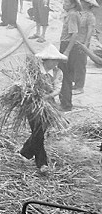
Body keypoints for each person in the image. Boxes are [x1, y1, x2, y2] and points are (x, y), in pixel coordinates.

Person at [17, 44, 65, 176]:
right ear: (46, 60)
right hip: (32, 104)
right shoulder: (34, 70)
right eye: (53, 60)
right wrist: (34, 94)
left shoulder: (58, 72)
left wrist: (47, 96)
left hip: (48, 104)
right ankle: (42, 163)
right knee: (38, 132)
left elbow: (57, 88)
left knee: (40, 132)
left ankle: (25, 152)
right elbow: (25, 85)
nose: (56, 63)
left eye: (57, 60)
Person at [57, 0, 83, 111]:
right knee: (65, 74)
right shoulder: (71, 14)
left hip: (68, 46)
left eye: (67, 2)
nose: (64, 3)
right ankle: (64, 101)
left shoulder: (72, 15)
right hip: (67, 45)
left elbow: (74, 34)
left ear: (73, 5)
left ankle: (66, 104)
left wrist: (67, 51)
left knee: (65, 75)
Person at [74, 0, 98, 95]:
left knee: (81, 64)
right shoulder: (80, 13)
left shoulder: (90, 16)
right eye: (82, 0)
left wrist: (85, 44)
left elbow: (90, 31)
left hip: (83, 42)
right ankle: (76, 83)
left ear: (89, 4)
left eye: (84, 1)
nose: (81, 2)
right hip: (75, 41)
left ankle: (80, 86)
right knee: (75, 63)